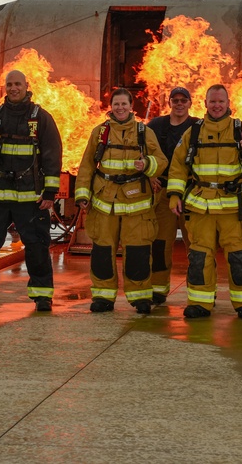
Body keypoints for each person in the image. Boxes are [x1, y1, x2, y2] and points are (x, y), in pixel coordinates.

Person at [166, 84, 242, 320]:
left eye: (221, 102)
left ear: (228, 103)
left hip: (234, 208)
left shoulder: (240, 130)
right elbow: (178, 167)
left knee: (240, 256)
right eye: (212, 101)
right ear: (205, 104)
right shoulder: (193, 133)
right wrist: (174, 195)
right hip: (201, 206)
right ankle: (200, 303)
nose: (216, 106)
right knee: (199, 257)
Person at [0, 70, 62, 312]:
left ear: (26, 85)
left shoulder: (40, 118)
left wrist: (50, 192)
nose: (13, 88)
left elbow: (52, 155)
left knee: (37, 246)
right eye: (9, 84)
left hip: (30, 198)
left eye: (17, 83)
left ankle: (42, 295)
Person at [75, 88, 167, 314]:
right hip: (104, 203)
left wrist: (147, 165)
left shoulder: (144, 132)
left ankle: (140, 298)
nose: (120, 108)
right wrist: (82, 195)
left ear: (131, 106)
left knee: (137, 251)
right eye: (116, 104)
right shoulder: (100, 133)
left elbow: (161, 161)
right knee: (102, 251)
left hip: (137, 204)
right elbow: (87, 165)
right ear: (111, 107)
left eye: (124, 104)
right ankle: (103, 297)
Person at [147, 86, 197, 304]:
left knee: (197, 244)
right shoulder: (157, 126)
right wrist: (150, 174)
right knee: (160, 244)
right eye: (175, 100)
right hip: (163, 194)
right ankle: (158, 289)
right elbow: (141, 148)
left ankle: (202, 290)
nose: (179, 103)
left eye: (183, 100)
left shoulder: (198, 126)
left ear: (190, 103)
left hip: (191, 194)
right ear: (169, 103)